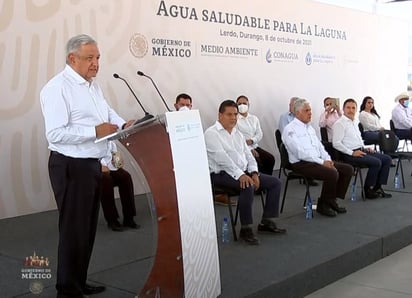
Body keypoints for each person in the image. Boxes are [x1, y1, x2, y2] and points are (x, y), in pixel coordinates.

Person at [40, 34, 134, 297]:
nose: (95, 63)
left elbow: (107, 114)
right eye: (89, 58)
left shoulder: (93, 86)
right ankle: (68, 290)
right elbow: (55, 134)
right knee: (74, 231)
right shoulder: (57, 88)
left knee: (87, 229)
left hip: (92, 164)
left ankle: (78, 281)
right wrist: (95, 131)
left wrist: (124, 124)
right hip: (70, 167)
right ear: (72, 58)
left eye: (98, 58)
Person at [205, 100, 286, 245]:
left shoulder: (238, 134)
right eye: (229, 114)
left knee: (275, 182)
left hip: (241, 172)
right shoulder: (211, 134)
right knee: (247, 185)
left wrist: (254, 173)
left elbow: (249, 155)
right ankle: (246, 228)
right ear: (220, 115)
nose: (233, 118)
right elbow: (223, 159)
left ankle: (267, 222)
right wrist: (242, 175)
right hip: (220, 174)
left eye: (235, 114)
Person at [282, 99, 353, 217]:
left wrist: (328, 159)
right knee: (332, 173)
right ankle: (323, 204)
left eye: (310, 110)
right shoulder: (290, 129)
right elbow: (300, 153)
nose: (310, 113)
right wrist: (322, 162)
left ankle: (331, 200)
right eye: (307, 110)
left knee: (348, 169)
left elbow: (320, 147)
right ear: (298, 113)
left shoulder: (309, 128)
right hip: (301, 163)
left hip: (316, 160)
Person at [332, 99, 392, 199]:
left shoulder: (355, 122)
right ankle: (368, 190)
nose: (351, 110)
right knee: (376, 162)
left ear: (356, 109)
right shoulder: (340, 123)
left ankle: (377, 187)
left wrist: (366, 148)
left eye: (353, 108)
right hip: (349, 154)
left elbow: (358, 139)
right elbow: (336, 143)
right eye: (348, 108)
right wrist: (352, 153)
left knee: (387, 159)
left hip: (361, 150)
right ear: (343, 109)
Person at [278, 96, 318, 186]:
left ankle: (314, 174)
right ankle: (309, 177)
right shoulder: (284, 117)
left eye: (293, 105)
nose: (290, 107)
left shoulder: (303, 117)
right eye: (290, 105)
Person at [100, 141, 139, 231]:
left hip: (110, 166)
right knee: (106, 180)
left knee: (125, 177)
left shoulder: (108, 138)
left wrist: (117, 159)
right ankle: (112, 220)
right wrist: (100, 165)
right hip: (95, 167)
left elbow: (113, 149)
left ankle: (129, 217)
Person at [236, 95, 275, 175]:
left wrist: (252, 140)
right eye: (239, 104)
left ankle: (267, 179)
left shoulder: (254, 118)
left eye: (244, 103)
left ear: (248, 105)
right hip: (243, 149)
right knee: (256, 161)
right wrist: (249, 149)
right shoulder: (235, 120)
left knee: (270, 159)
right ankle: (258, 182)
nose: (242, 105)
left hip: (254, 145)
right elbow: (236, 137)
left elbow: (259, 133)